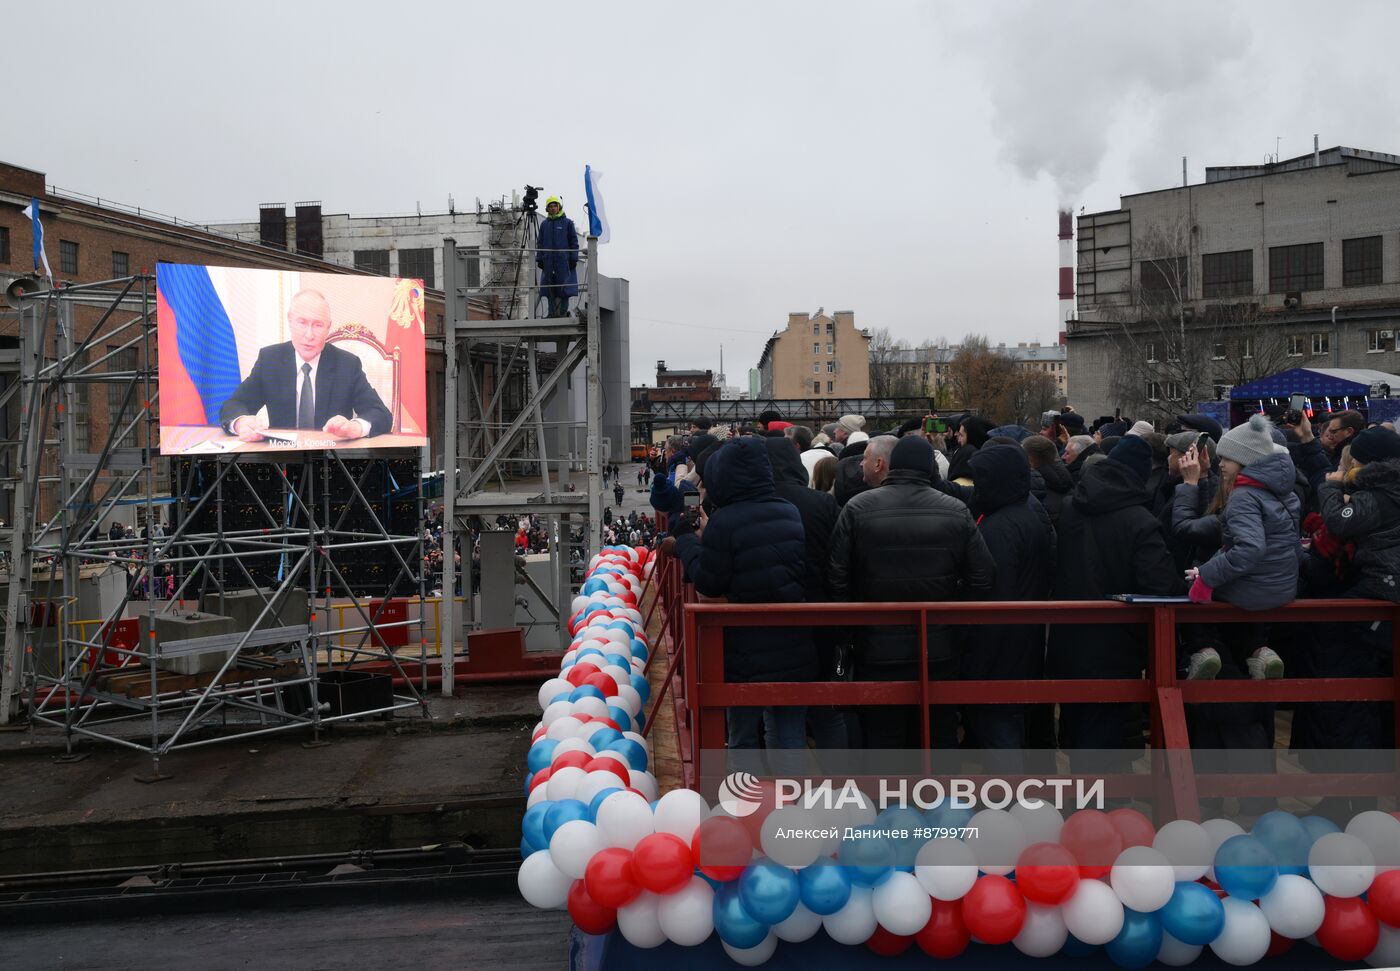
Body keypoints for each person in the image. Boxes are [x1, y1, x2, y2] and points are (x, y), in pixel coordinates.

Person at [828, 435, 995, 751]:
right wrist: (957, 626)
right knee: (939, 734)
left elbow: (837, 577)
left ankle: (889, 798)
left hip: (875, 645)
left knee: (883, 737)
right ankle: (939, 798)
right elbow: (983, 576)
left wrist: (849, 631)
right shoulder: (956, 510)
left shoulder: (857, 508)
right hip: (938, 646)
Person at [668, 437, 815, 761]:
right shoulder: (789, 512)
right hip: (792, 644)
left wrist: (687, 541)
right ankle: (791, 805)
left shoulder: (726, 521)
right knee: (787, 736)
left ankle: (743, 806)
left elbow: (709, 580)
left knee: (743, 737)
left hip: (743, 649)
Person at [1048, 436, 1183, 772]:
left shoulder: (1069, 509)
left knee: (1079, 724)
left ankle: (1085, 806)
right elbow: (1161, 584)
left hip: (1069, 636)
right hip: (1117, 641)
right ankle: (1105, 808)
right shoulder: (1139, 520)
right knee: (1108, 726)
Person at [1177, 414, 1300, 680]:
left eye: (1228, 459)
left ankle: (1203, 649)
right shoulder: (1284, 492)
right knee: (1220, 572)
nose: (1221, 464)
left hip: (1253, 591)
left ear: (1246, 461)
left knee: (1189, 587)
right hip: (1282, 588)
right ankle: (1259, 651)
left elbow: (1249, 549)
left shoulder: (1244, 496)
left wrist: (1206, 575)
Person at [959, 443, 1055, 768]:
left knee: (1000, 736)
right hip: (1022, 644)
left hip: (999, 653)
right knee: (1011, 729)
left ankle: (1007, 807)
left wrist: (976, 660)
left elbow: (994, 596)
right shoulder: (1026, 517)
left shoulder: (999, 528)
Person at [219, 289, 392, 442]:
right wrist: (241, 423)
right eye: (302, 322)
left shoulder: (347, 364)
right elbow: (234, 404)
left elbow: (380, 413)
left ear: (328, 328)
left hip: (330, 460)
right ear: (290, 320)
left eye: (318, 325)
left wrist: (355, 427)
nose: (309, 335)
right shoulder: (270, 359)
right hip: (282, 460)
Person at [763, 435, 847, 748]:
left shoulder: (760, 504)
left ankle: (787, 790)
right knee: (827, 706)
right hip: (823, 614)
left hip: (773, 621)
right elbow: (839, 558)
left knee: (781, 711)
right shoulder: (823, 503)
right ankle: (840, 788)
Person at [536, 196, 579, 318]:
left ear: (559, 207)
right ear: (547, 209)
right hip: (549, 262)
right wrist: (540, 259)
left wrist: (573, 258)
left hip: (563, 262)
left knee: (564, 290)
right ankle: (551, 314)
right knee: (550, 289)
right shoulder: (544, 225)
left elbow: (574, 242)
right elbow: (540, 243)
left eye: (555, 205)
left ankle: (563, 313)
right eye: (550, 206)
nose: (553, 208)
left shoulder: (568, 223)